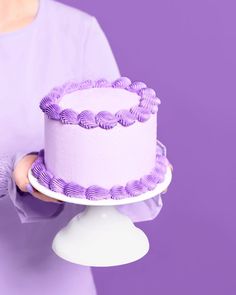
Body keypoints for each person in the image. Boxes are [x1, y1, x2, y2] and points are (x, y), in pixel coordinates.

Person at [0, 0, 163, 294]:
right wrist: (10, 172)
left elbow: (112, 141)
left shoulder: (78, 32)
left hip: (57, 281)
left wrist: (140, 166)